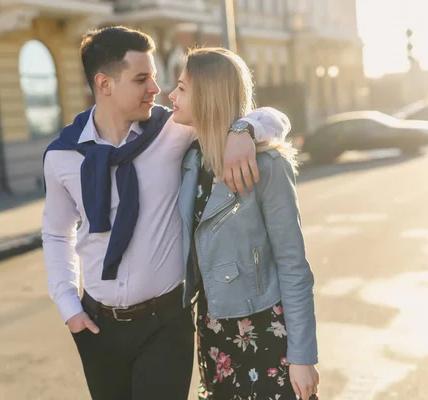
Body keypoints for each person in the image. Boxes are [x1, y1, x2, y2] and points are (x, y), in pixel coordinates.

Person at [41, 27, 290, 400]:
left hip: (165, 323)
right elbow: (57, 233)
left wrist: (243, 129)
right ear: (105, 84)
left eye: (155, 77)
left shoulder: (172, 129)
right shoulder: (62, 156)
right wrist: (67, 305)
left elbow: (276, 118)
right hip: (95, 326)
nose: (156, 89)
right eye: (142, 79)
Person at [169, 47, 319, 400]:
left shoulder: (268, 165)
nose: (171, 96)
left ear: (207, 96)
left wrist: (302, 356)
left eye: (181, 88)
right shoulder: (191, 159)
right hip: (213, 330)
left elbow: (293, 265)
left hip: (265, 333)